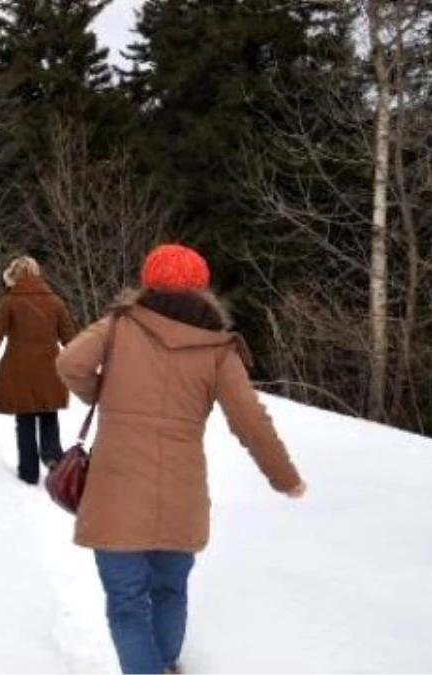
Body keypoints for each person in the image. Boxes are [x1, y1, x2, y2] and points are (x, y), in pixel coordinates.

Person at [55, 244, 307, 675]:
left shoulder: (118, 326)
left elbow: (69, 363)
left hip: (116, 493)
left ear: (148, 282)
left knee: (127, 604)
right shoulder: (218, 347)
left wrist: (103, 395)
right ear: (201, 287)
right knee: (170, 589)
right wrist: (284, 478)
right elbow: (250, 420)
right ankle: (166, 664)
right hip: (181, 494)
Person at [0, 256, 76, 485]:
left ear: (14, 275)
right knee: (48, 415)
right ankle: (53, 457)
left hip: (19, 370)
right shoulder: (55, 302)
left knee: (24, 420)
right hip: (49, 369)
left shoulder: (9, 302)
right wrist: (78, 361)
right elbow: (69, 337)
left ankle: (29, 471)